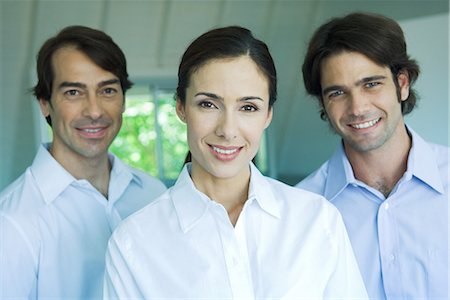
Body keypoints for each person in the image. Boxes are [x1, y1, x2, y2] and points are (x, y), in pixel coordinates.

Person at [103, 26, 368, 299]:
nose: (228, 130)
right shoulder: (133, 243)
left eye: (248, 107)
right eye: (208, 104)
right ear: (181, 107)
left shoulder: (316, 221)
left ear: (267, 115)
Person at [0, 25, 167, 299]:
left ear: (124, 99)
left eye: (108, 90)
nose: (94, 111)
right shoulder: (12, 222)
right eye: (73, 93)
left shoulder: (153, 194)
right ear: (45, 103)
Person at [296, 12, 449, 299]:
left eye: (371, 84)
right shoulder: (302, 210)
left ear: (402, 84)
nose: (357, 107)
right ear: (324, 104)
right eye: (338, 92)